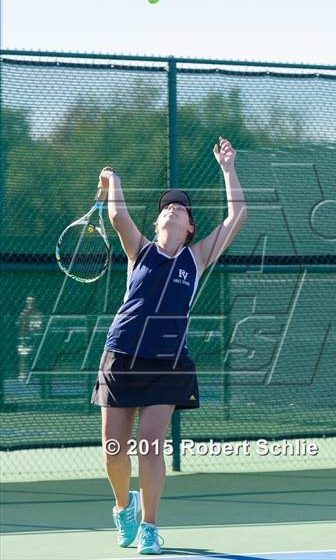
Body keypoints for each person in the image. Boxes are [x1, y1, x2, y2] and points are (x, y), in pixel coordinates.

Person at [90, 137, 247, 554]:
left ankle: (149, 526)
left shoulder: (195, 259)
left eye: (181, 207)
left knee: (150, 444)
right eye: (166, 207)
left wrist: (228, 168)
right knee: (113, 450)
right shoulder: (139, 251)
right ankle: (124, 508)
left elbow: (237, 215)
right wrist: (114, 179)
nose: (173, 208)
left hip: (167, 363)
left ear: (190, 227)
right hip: (122, 356)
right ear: (158, 222)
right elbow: (118, 213)